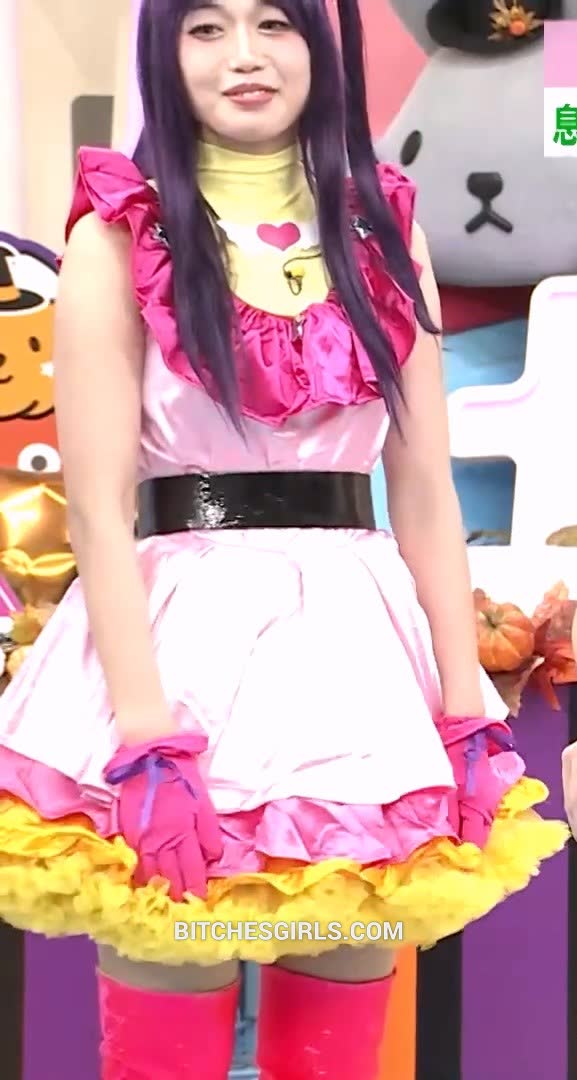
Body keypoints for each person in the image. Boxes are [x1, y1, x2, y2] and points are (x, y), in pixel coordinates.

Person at [0, 0, 568, 1076]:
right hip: (176, 643)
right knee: (172, 990)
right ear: (163, 52)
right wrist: (145, 737)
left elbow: (423, 491)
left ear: (322, 45)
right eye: (205, 28)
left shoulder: (382, 228)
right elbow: (99, 509)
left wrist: (463, 707)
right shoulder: (117, 232)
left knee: (339, 993)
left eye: (275, 24)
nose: (245, 56)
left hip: (351, 656)